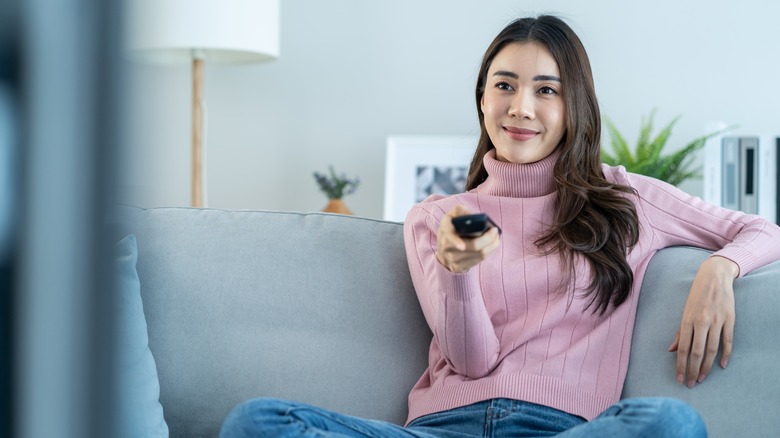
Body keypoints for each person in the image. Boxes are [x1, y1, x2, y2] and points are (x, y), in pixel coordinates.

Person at [220, 15, 780, 437]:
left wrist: (720, 267)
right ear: (483, 98)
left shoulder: (625, 198)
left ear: (573, 105)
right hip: (442, 427)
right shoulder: (437, 217)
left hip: (563, 427)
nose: (521, 107)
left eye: (546, 90)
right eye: (505, 85)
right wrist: (459, 273)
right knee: (259, 421)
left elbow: (763, 229)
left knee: (668, 423)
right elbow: (472, 362)